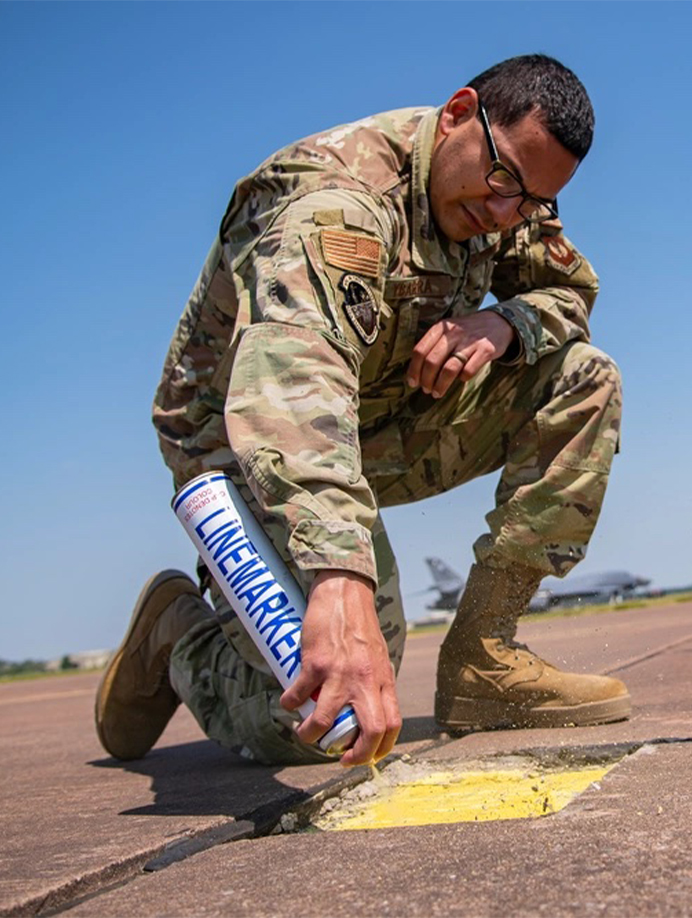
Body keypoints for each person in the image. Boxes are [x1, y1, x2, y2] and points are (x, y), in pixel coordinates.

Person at [95, 54, 630, 770]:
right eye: (503, 181)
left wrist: (504, 323)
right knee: (330, 718)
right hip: (239, 443)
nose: (507, 213)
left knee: (582, 378)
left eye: (531, 202)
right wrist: (339, 576)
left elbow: (569, 293)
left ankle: (482, 659)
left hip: (376, 417)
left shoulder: (512, 191)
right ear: (458, 114)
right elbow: (294, 388)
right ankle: (179, 639)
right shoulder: (335, 204)